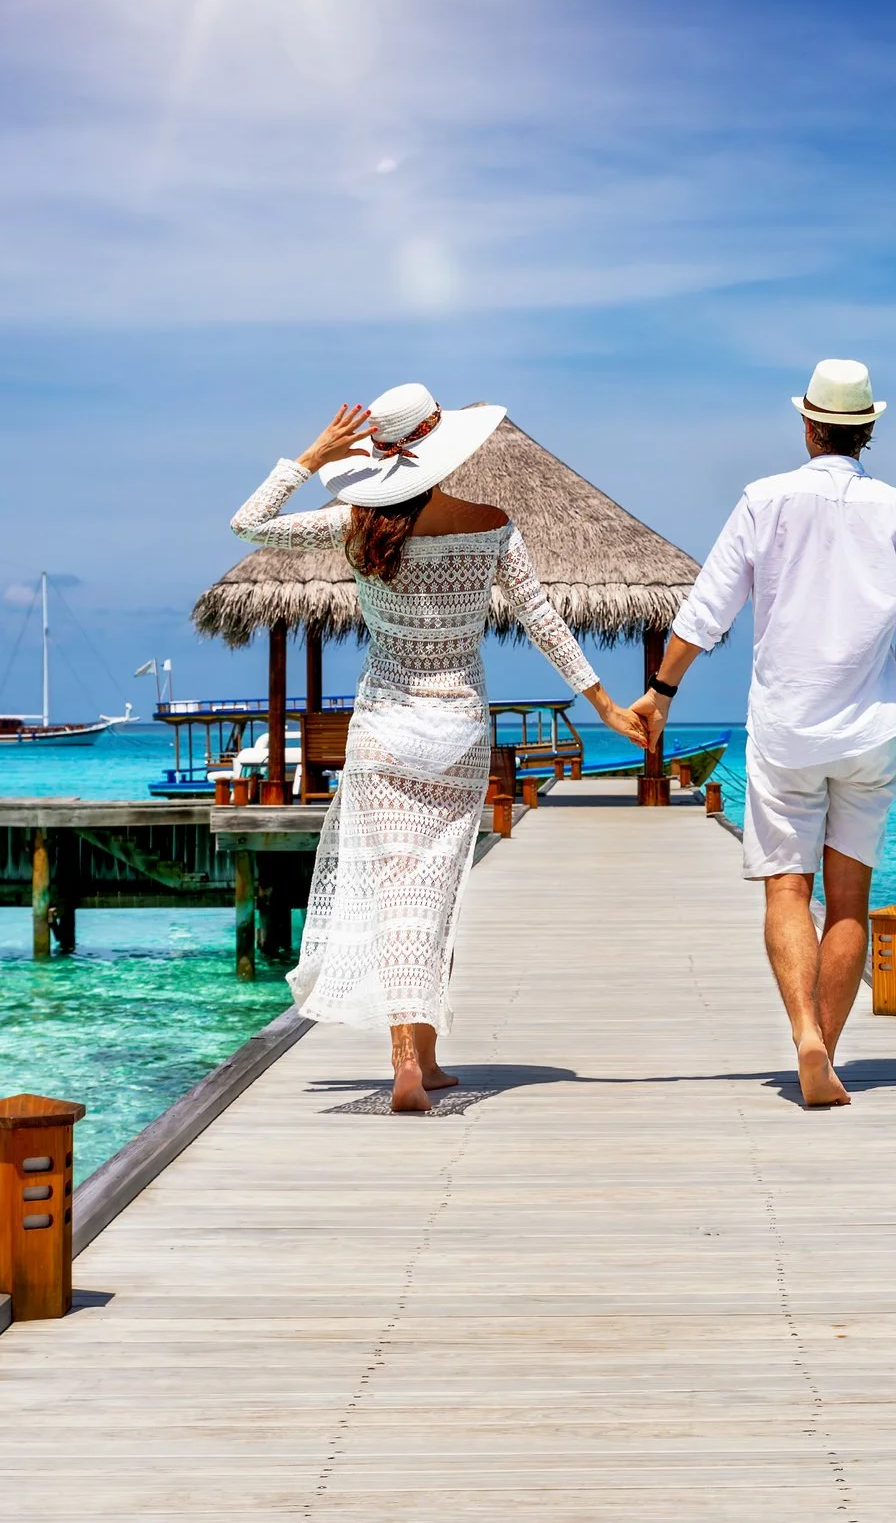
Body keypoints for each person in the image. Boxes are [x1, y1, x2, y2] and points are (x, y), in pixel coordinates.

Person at [230, 387, 653, 1112]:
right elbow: (546, 624)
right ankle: (422, 1057)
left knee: (396, 890)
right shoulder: (490, 526)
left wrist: (312, 456)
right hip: (456, 730)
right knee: (435, 892)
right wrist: (606, 704)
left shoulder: (351, 528)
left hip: (384, 731)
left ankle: (408, 1058)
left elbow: (249, 524)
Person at [633, 359, 896, 1108]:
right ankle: (823, 1053)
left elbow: (706, 612)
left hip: (786, 733)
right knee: (847, 904)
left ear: (807, 424)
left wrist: (660, 692)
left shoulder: (762, 501)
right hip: (870, 734)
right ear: (868, 430)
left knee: (785, 891)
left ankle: (803, 1030)